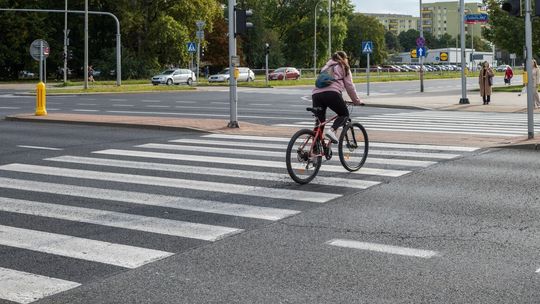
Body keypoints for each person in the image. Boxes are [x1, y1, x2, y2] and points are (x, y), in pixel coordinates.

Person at [312, 51, 364, 143]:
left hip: (316, 95)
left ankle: (315, 148)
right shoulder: (344, 67)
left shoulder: (325, 67)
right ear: (345, 58)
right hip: (332, 94)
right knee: (344, 114)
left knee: (320, 122)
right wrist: (356, 101)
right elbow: (350, 87)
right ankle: (332, 131)